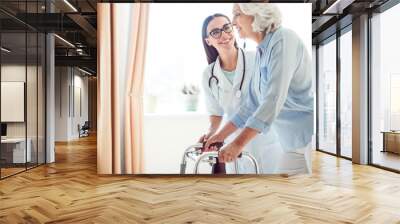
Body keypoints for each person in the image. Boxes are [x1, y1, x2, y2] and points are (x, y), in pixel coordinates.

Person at [205, 4, 314, 175]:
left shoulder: (283, 39)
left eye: (236, 15)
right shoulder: (262, 52)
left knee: (292, 196)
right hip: (289, 141)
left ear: (254, 14)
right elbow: (251, 105)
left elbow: (273, 100)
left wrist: (238, 144)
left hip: (303, 139)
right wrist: (220, 136)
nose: (233, 22)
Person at [199, 13, 280, 174]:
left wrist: (221, 135)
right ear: (208, 41)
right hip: (232, 142)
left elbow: (265, 103)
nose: (224, 34)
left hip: (264, 138)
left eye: (226, 27)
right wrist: (211, 133)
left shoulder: (257, 59)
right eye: (215, 32)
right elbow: (216, 113)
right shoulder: (209, 75)